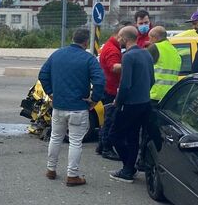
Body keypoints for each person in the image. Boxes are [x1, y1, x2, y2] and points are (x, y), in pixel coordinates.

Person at [38, 28, 105, 186]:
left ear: (72, 38)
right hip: (78, 107)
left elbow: (43, 74)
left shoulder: (57, 54)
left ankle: (51, 169)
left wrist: (51, 93)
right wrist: (94, 99)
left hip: (59, 105)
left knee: (55, 137)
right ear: (86, 42)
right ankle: (72, 175)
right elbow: (100, 81)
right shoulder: (89, 59)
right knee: (75, 141)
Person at [109, 26, 155, 183]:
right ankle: (129, 168)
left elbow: (125, 84)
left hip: (129, 104)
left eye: (120, 37)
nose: (118, 40)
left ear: (125, 39)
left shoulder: (128, 57)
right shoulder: (146, 53)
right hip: (144, 102)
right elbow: (152, 79)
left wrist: (118, 101)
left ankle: (128, 169)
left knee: (114, 135)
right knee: (133, 136)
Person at [96, 20, 130, 161]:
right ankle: (106, 148)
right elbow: (114, 67)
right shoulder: (112, 49)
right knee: (111, 120)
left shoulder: (111, 46)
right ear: (120, 35)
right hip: (111, 89)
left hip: (108, 87)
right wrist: (131, 64)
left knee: (107, 119)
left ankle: (101, 146)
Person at [147, 26, 182, 102]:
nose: (149, 41)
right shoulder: (175, 51)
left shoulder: (155, 47)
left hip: (155, 94)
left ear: (155, 38)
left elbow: (143, 67)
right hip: (170, 95)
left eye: (150, 38)